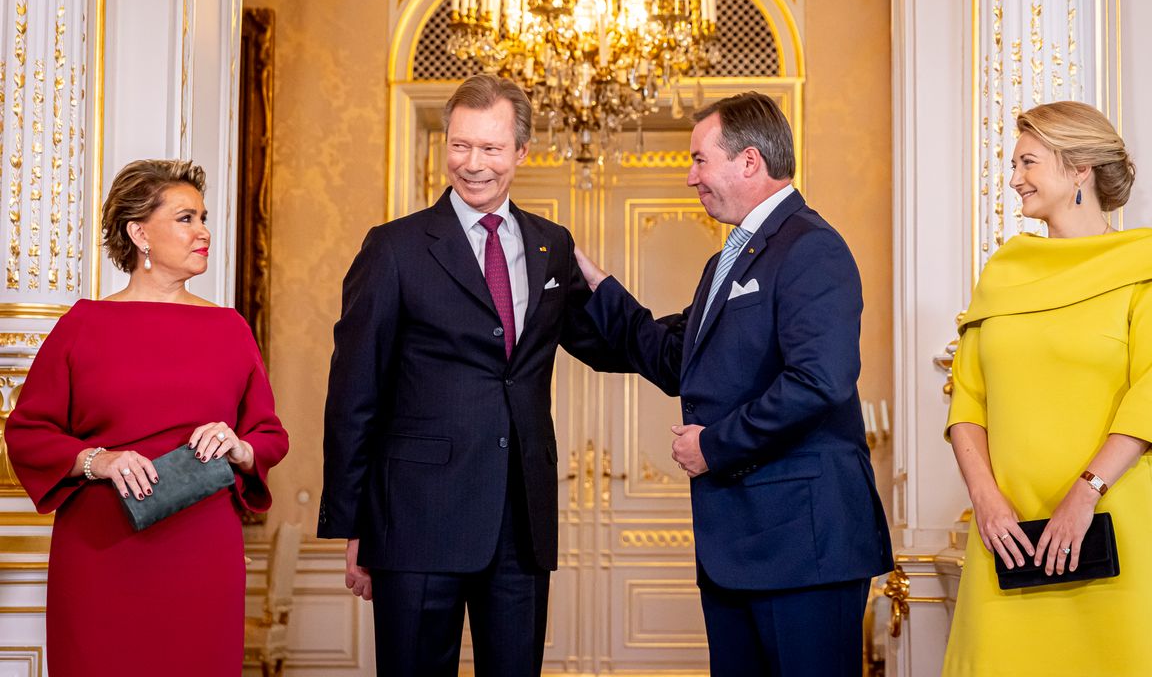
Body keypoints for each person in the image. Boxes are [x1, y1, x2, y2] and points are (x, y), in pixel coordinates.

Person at [573, 92, 893, 676]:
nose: (690, 177)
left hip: (803, 549)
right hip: (739, 547)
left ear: (749, 161)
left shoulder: (810, 247)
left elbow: (819, 380)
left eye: (699, 160)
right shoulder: (727, 260)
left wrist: (712, 446)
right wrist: (591, 287)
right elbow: (677, 358)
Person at [317, 74, 627, 676]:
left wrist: (693, 326)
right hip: (414, 521)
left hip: (521, 524)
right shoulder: (394, 248)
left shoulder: (551, 246)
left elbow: (606, 346)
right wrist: (352, 524)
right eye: (460, 145)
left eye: (489, 148)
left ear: (520, 153)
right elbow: (353, 393)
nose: (472, 164)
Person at [5, 159, 289, 676]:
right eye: (186, 218)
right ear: (139, 233)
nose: (204, 232)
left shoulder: (229, 330)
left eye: (203, 218)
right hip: (101, 550)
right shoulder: (83, 326)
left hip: (202, 552)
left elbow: (268, 434)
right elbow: (27, 432)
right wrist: (98, 459)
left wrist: (237, 444)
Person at [942, 101, 1152, 676]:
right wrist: (985, 499)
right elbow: (968, 400)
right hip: (1006, 532)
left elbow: (1150, 398)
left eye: (1027, 162)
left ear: (1080, 168)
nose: (1013, 179)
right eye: (1013, 164)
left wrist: (1084, 494)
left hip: (1108, 520)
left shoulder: (1150, 266)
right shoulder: (1002, 271)